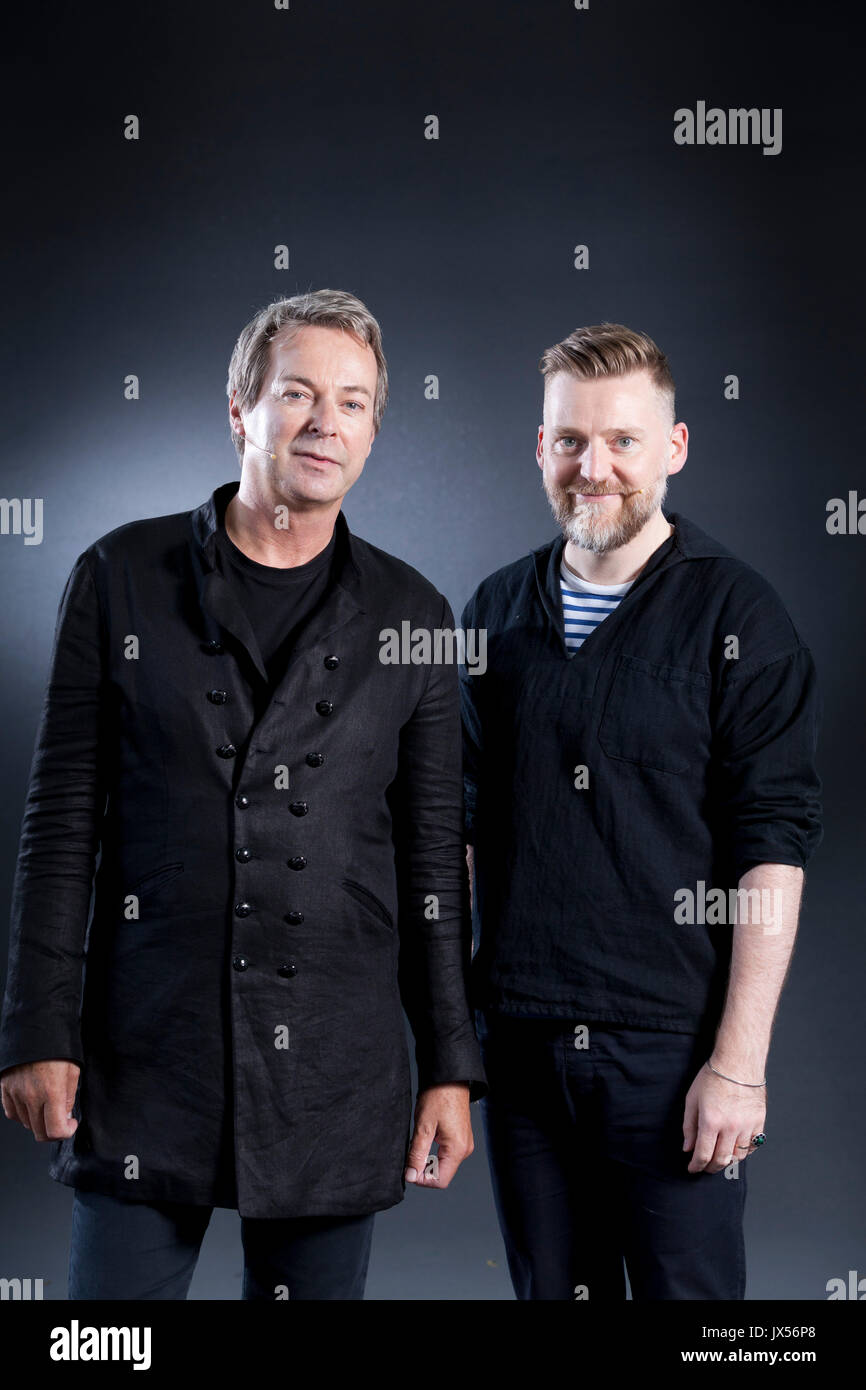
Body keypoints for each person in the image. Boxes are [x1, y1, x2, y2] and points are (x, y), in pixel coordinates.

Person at [0, 288, 485, 1300]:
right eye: (298, 393)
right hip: (148, 1049)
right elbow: (58, 828)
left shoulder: (414, 614)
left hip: (333, 1067)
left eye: (352, 403)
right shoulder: (118, 576)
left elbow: (433, 862)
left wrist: (448, 1065)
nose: (325, 422)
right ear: (239, 407)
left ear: (373, 431)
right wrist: (38, 1029)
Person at [459, 322, 822, 1301]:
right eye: (570, 440)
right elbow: (454, 829)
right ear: (541, 450)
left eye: (622, 440)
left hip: (670, 1053)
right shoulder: (493, 611)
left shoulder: (739, 619)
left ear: (673, 447)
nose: (594, 467)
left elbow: (769, 849)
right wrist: (455, 1043)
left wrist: (737, 1065)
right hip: (523, 1050)